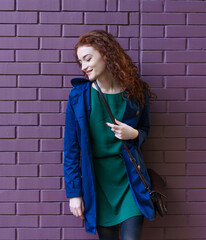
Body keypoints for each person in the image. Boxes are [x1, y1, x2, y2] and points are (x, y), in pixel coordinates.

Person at [63, 30, 156, 240]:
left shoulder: (134, 92)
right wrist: (74, 194)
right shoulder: (79, 97)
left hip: (130, 180)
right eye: (80, 61)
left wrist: (134, 134)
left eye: (88, 58)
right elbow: (71, 150)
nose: (84, 66)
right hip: (98, 183)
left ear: (106, 54)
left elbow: (144, 130)